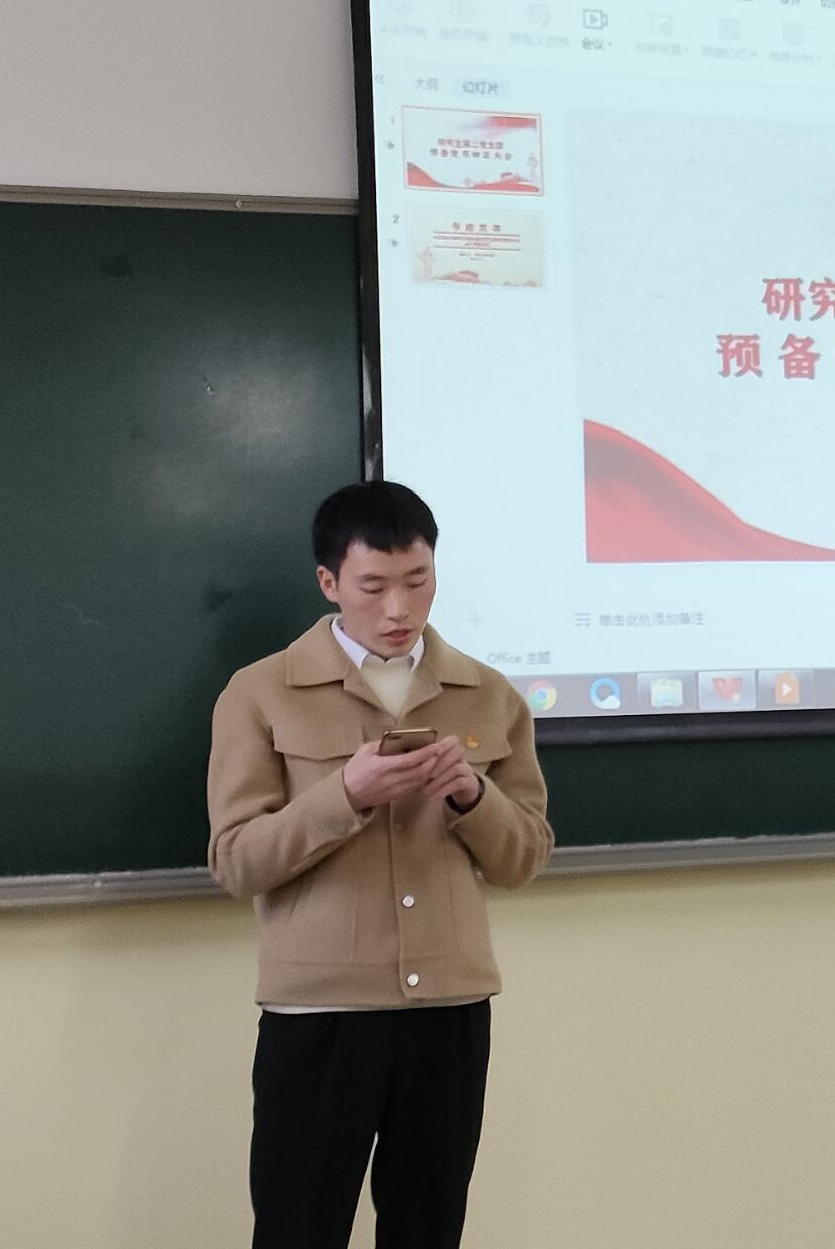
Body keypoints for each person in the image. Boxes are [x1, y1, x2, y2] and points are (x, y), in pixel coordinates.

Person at [206, 480, 553, 1249]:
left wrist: (472, 795)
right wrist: (345, 795)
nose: (399, 608)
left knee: (429, 1228)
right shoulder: (260, 693)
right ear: (329, 583)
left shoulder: (487, 695)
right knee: (299, 1229)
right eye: (374, 587)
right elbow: (237, 861)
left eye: (417, 582)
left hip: (450, 1012)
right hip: (320, 1016)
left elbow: (524, 858)